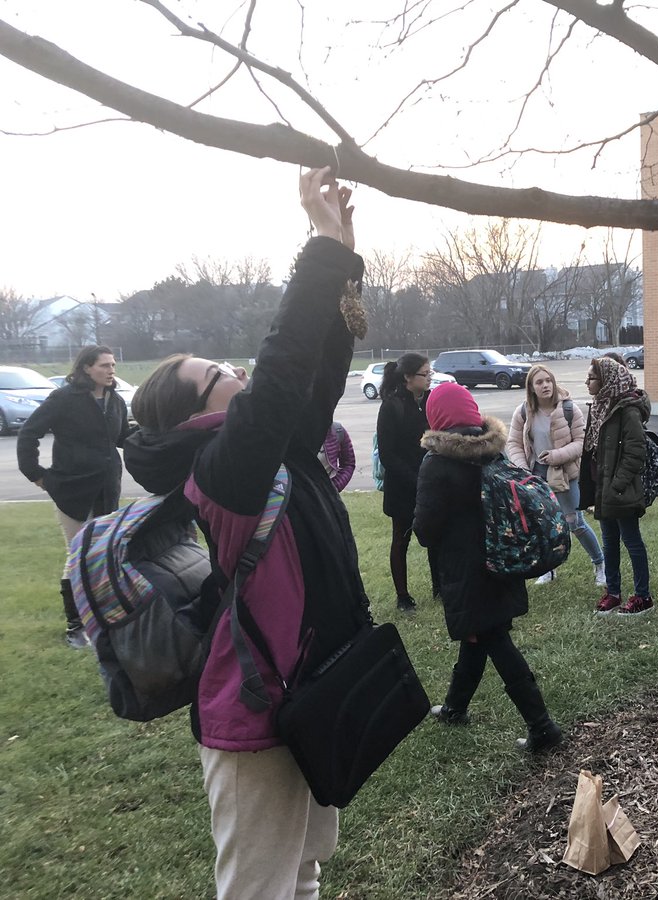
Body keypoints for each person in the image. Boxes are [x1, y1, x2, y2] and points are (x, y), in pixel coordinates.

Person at [121, 167, 370, 899]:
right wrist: (317, 251)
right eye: (218, 373)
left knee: (303, 871)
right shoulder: (221, 471)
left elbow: (316, 374)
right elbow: (285, 367)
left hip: (306, 694)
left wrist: (344, 259)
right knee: (259, 888)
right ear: (192, 412)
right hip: (255, 724)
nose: (237, 374)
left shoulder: (271, 453)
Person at [414, 383, 563, 752]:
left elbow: (424, 531)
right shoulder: (490, 452)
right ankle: (455, 708)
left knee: (493, 638)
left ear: (437, 418)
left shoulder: (438, 463)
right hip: (502, 560)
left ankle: (543, 728)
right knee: (478, 636)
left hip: (467, 571)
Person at [17, 344, 133, 648]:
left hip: (107, 488)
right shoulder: (63, 399)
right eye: (104, 366)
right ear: (86, 368)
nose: (111, 371)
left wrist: (158, 442)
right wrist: (37, 474)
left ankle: (104, 615)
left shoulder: (115, 400)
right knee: (78, 554)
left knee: (104, 553)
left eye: (112, 365)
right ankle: (75, 626)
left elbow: (121, 437)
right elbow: (29, 433)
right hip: (72, 489)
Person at [506, 363, 605, 587]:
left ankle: (600, 564)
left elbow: (582, 443)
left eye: (548, 380)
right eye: (539, 382)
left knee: (575, 523)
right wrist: (524, 471)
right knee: (542, 525)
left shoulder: (569, 409)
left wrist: (557, 456)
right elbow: (513, 444)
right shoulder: (523, 411)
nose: (545, 385)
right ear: (531, 387)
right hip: (536, 477)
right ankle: (548, 570)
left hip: (566, 475)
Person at [582, 356, 654, 616]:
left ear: (606, 380)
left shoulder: (627, 408)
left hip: (620, 488)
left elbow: (636, 451)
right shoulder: (600, 406)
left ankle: (643, 596)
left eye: (592, 377)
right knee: (609, 541)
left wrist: (618, 485)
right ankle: (613, 592)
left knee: (631, 541)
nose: (587, 382)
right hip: (603, 486)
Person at [376, 353, 439, 613]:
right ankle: (403, 597)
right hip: (403, 486)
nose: (429, 378)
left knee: (436, 536)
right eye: (425, 374)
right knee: (401, 539)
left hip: (430, 482)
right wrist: (416, 481)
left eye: (430, 373)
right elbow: (388, 454)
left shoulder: (429, 401)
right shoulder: (391, 406)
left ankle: (441, 587)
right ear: (407, 378)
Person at [319, 421, 355, 492]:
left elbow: (348, 464)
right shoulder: (293, 430)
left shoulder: (337, 430)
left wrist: (335, 486)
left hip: (327, 496)